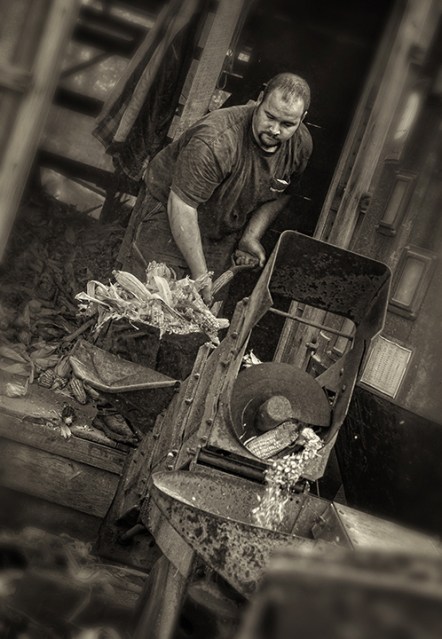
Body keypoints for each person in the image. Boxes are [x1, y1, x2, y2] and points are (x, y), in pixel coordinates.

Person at [119, 72, 312, 304]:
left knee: (200, 307)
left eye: (288, 124)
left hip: (222, 227)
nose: (275, 130)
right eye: (269, 117)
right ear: (260, 100)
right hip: (171, 213)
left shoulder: (300, 145)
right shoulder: (215, 141)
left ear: (302, 118)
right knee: (148, 299)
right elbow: (181, 206)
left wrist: (251, 236)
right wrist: (201, 276)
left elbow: (283, 193)